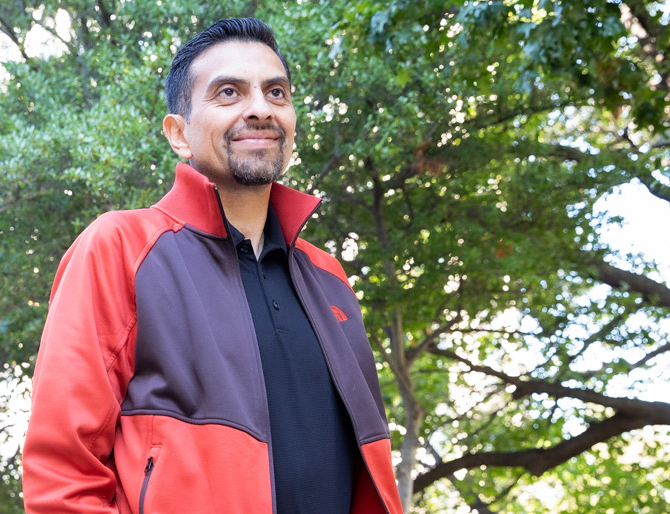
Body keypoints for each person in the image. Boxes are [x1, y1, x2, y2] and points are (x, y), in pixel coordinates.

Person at [22, 17, 403, 514]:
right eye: (229, 93)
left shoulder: (327, 275)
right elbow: (62, 471)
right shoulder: (119, 246)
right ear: (179, 134)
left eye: (276, 93)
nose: (260, 109)